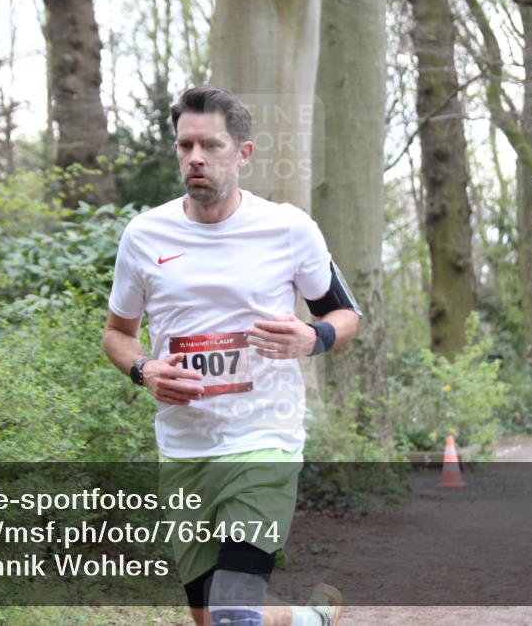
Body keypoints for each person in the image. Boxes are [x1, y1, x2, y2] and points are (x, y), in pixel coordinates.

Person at [103, 86, 361, 626]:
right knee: (213, 617)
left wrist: (313, 337)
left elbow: (346, 315)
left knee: (232, 613)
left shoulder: (288, 228)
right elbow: (117, 333)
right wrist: (144, 369)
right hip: (185, 450)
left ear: (243, 153)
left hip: (263, 439)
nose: (196, 157)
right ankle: (310, 619)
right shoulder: (144, 235)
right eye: (185, 145)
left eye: (211, 145)